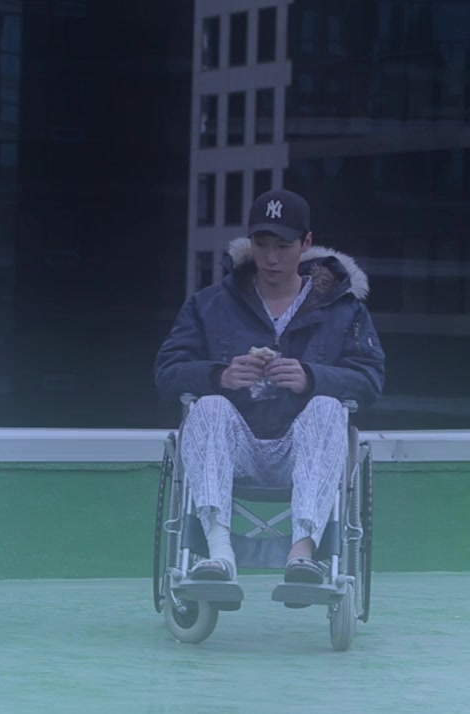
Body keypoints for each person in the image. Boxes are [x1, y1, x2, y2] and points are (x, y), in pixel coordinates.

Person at [154, 189, 384, 586]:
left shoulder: (345, 310)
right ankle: (219, 554)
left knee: (328, 407)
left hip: (305, 450)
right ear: (249, 244)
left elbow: (370, 380)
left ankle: (302, 554)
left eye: (283, 246)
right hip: (234, 448)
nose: (271, 258)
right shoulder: (209, 304)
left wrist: (312, 378)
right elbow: (167, 373)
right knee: (208, 406)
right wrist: (219, 375)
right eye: (261, 245)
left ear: (306, 243)